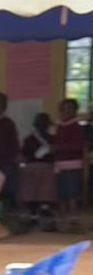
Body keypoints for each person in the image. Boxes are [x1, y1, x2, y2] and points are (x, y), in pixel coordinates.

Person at [0, 89, 20, 238]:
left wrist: (13, 158)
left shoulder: (7, 123)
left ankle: (2, 213)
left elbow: (14, 145)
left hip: (4, 161)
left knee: (5, 178)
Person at [53, 97, 85, 228]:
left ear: (74, 111)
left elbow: (78, 146)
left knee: (72, 192)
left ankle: (73, 218)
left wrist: (59, 148)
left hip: (72, 163)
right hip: (60, 163)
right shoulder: (59, 126)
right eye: (63, 109)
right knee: (61, 192)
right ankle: (62, 218)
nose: (65, 112)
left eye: (69, 109)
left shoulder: (76, 127)